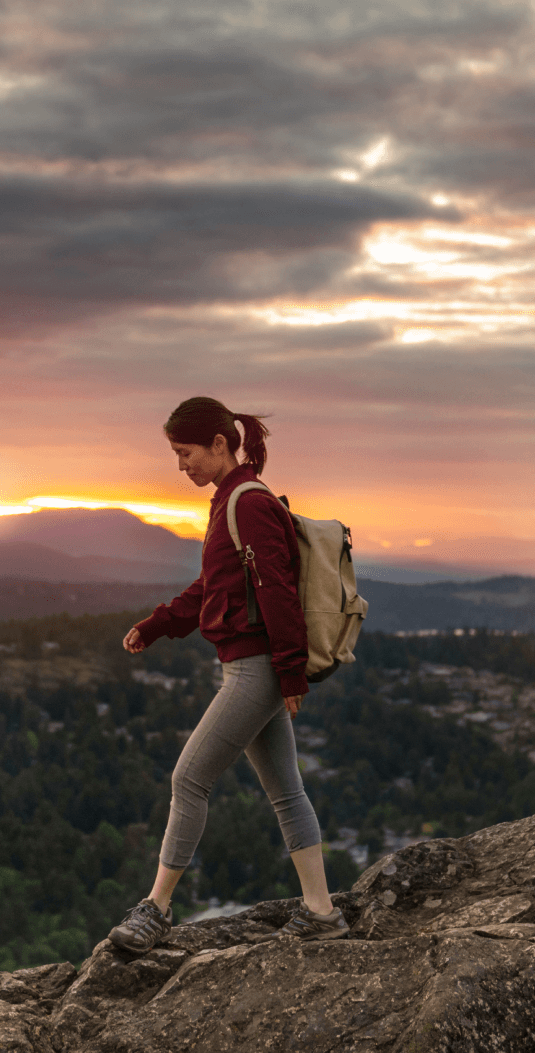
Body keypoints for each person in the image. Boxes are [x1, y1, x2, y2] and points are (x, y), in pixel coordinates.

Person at [108, 396, 348, 950]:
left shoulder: (247, 503)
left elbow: (278, 590)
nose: (180, 465)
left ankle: (156, 908)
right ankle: (321, 912)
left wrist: (290, 674)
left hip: (256, 670)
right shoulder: (231, 502)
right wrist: (159, 624)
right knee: (287, 790)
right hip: (250, 667)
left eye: (185, 452)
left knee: (188, 779)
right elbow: (214, 589)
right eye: (175, 454)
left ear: (220, 444)